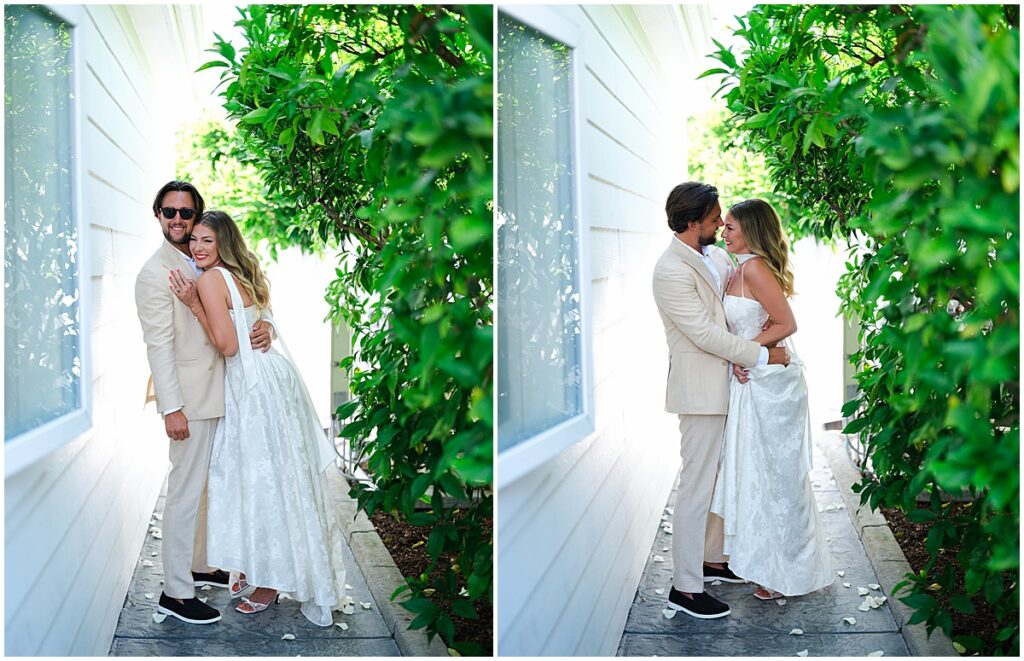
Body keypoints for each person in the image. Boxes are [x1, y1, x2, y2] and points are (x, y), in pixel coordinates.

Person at [168, 210, 347, 626]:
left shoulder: (211, 280)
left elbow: (228, 346)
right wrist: (262, 322)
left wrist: (195, 304)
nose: (197, 248)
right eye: (194, 240)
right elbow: (260, 319)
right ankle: (258, 562)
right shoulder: (242, 272)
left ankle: (268, 581)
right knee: (276, 478)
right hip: (271, 380)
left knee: (260, 482)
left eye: (206, 241)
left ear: (223, 243)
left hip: (250, 388)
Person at [135, 181, 272, 625]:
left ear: (198, 217)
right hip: (190, 399)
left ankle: (198, 563)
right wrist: (170, 407)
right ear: (157, 215)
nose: (178, 220)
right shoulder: (155, 274)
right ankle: (175, 591)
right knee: (184, 491)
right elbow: (158, 345)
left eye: (186, 213)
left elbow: (249, 299)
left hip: (224, 390)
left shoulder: (203, 258)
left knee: (208, 488)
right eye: (169, 212)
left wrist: (264, 325)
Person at [652, 182, 790, 620]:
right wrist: (765, 355)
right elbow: (704, 334)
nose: (719, 224)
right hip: (699, 393)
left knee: (717, 479)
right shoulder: (669, 270)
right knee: (696, 487)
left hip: (731, 386)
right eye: (714, 219)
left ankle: (712, 560)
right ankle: (686, 588)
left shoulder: (712, 256)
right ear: (693, 222)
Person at [709, 198, 833, 599]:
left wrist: (744, 350)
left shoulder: (757, 268)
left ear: (752, 231)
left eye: (731, 227)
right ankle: (763, 561)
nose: (724, 233)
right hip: (751, 379)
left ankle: (787, 573)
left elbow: (787, 323)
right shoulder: (735, 268)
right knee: (756, 475)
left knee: (778, 479)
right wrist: (740, 355)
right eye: (723, 226)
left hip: (772, 385)